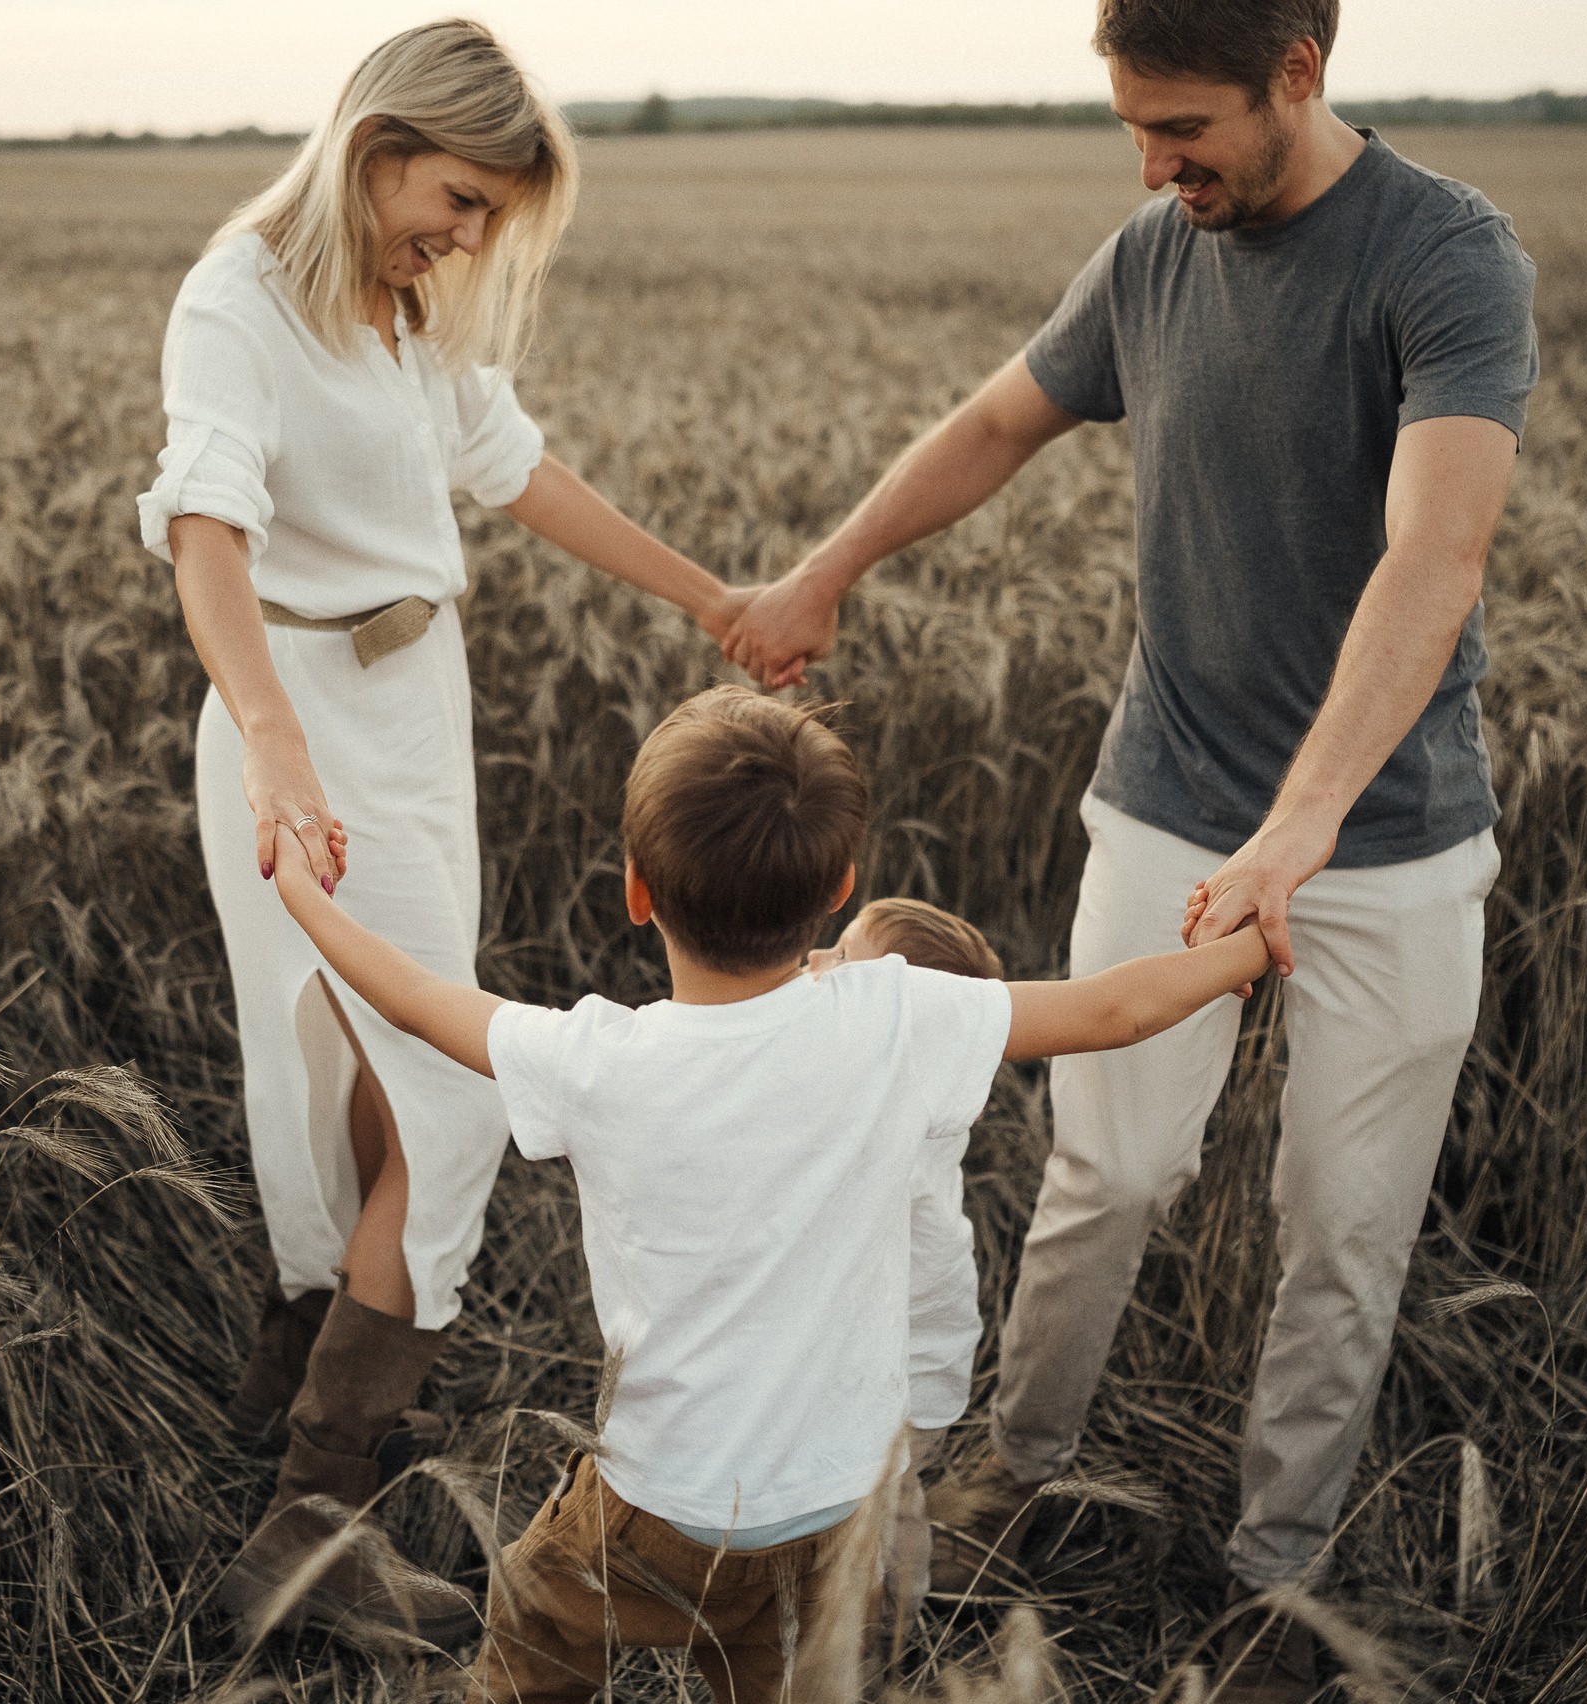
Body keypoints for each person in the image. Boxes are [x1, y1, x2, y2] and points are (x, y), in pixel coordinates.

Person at [721, 0, 1537, 1694]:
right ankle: (1016, 1458)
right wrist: (825, 567)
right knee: (1108, 1167)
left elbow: (1433, 557)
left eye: (1183, 130)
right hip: (1167, 795)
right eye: (1133, 130)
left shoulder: (1446, 255)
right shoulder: (1154, 251)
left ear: (1296, 78)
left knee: (1345, 1218)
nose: (1155, 168)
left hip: (1388, 844)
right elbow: (999, 422)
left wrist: (1302, 826)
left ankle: (1276, 1569)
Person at [265, 686, 1271, 1700]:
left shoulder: (598, 1060)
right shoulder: (896, 1019)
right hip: (838, 1514)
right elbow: (1116, 1009)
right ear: (838, 887)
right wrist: (1246, 945)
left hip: (659, 1503)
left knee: (535, 1623)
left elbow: (417, 1001)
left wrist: (307, 897)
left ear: (635, 891)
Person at [135, 20, 756, 1644]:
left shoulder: (409, 315)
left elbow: (522, 472)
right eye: (461, 198)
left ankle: (285, 1426)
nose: (467, 238)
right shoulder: (240, 298)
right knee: (444, 1101)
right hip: (296, 728)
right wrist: (275, 747)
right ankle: (305, 1524)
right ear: (377, 144)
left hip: (413, 725)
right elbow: (205, 534)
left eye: (488, 217)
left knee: (370, 1091)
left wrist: (713, 599)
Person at [805, 899, 1004, 1636]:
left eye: (847, 963)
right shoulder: (904, 1088)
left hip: (896, 1369)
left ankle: (886, 1627)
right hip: (887, 1354)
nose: (820, 962)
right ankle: (887, 1617)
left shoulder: (887, 1117)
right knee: (887, 1498)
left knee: (876, 1504)